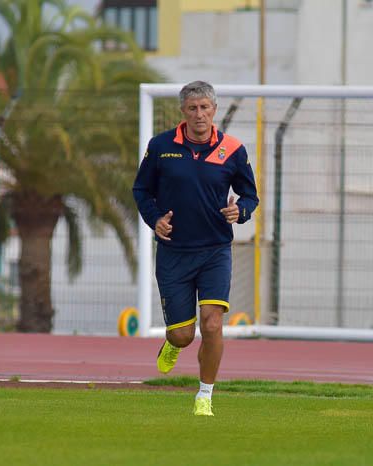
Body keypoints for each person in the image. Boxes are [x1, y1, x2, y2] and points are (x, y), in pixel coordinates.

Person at [132, 80, 259, 416]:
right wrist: (155, 219)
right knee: (184, 335)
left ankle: (205, 395)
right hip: (174, 251)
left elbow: (250, 196)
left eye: (205, 107)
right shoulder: (160, 147)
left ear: (214, 110)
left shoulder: (233, 150)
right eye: (193, 108)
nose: (199, 114)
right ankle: (173, 344)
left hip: (215, 250)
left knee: (213, 323)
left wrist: (240, 211)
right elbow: (142, 191)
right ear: (183, 112)